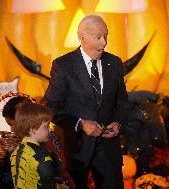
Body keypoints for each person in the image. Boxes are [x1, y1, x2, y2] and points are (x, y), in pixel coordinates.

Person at [45, 15, 129, 189]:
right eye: (98, 37)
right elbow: (51, 108)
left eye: (106, 36)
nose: (104, 42)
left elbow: (122, 103)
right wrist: (80, 124)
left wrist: (117, 123)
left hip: (108, 151)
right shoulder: (63, 66)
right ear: (82, 38)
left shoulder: (114, 63)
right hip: (77, 150)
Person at [10, 102, 62, 189]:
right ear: (33, 129)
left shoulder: (16, 151)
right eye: (46, 126)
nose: (50, 129)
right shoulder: (41, 156)